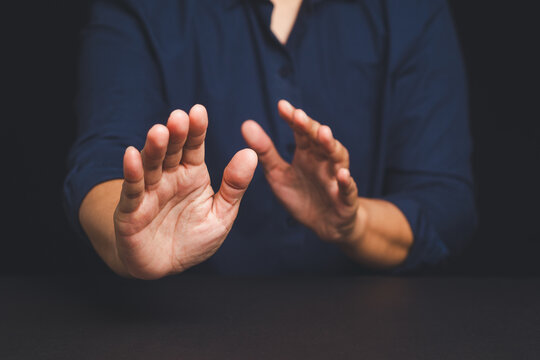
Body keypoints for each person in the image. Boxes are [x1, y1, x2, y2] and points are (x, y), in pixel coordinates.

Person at [63, 0, 476, 279]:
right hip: (184, 336)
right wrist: (130, 237)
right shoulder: (141, 9)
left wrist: (354, 223)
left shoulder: (410, 11)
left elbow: (444, 204)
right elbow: (99, 164)